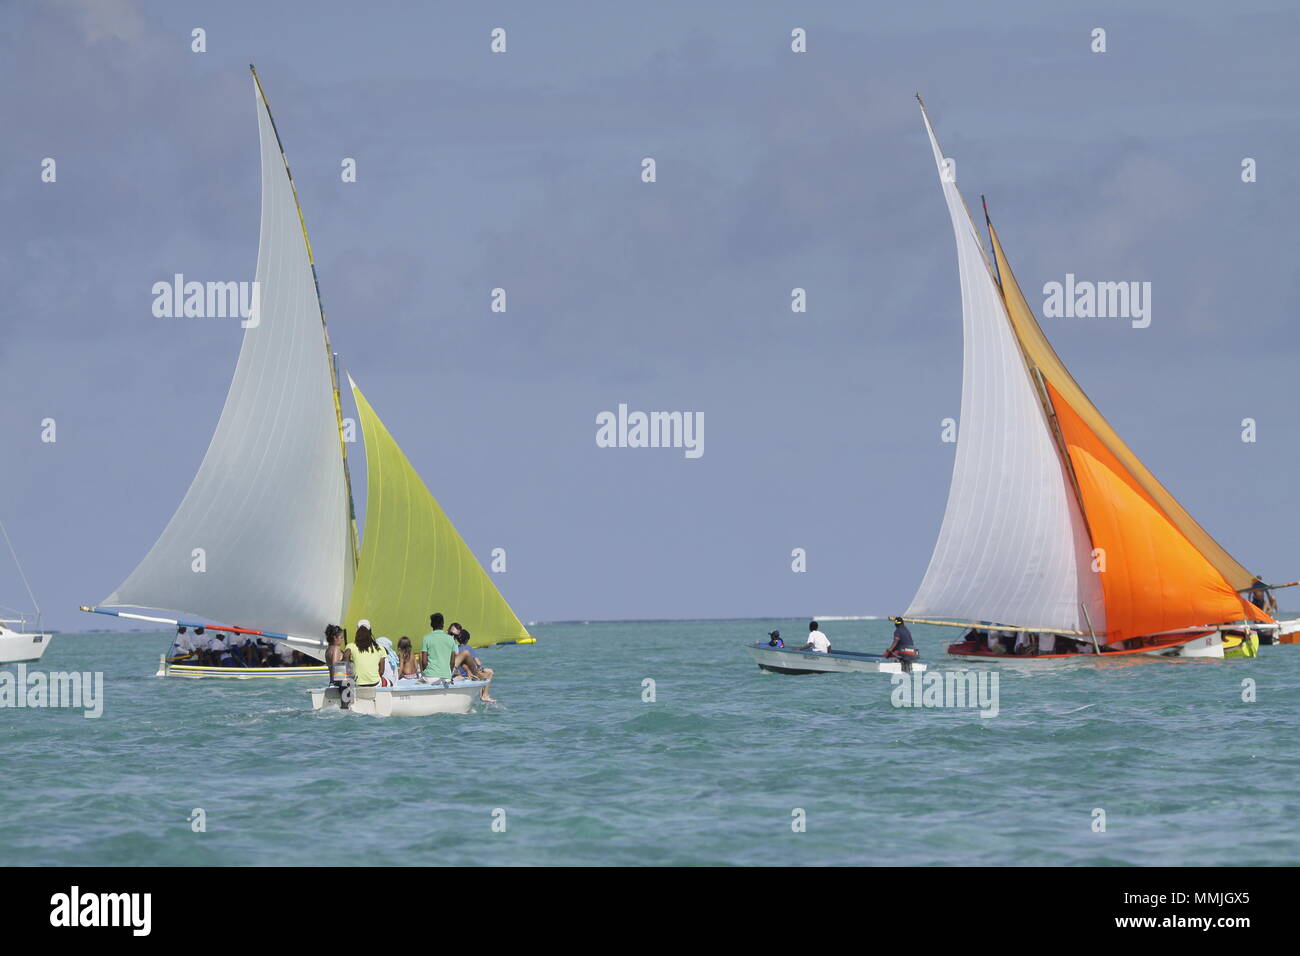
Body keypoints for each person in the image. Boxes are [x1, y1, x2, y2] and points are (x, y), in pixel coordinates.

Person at [451, 626, 495, 702]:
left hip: (458, 673)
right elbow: (478, 663)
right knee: (490, 672)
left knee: (482, 673)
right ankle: (485, 695)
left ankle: (482, 694)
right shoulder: (468, 648)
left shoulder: (455, 648)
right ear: (467, 640)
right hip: (468, 675)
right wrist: (481, 669)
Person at [419, 612, 457, 680]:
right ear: (443, 624)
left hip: (430, 677)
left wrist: (426, 673)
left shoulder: (426, 638)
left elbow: (424, 661)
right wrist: (448, 674)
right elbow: (452, 662)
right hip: (446, 677)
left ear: (431, 624)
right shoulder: (451, 639)